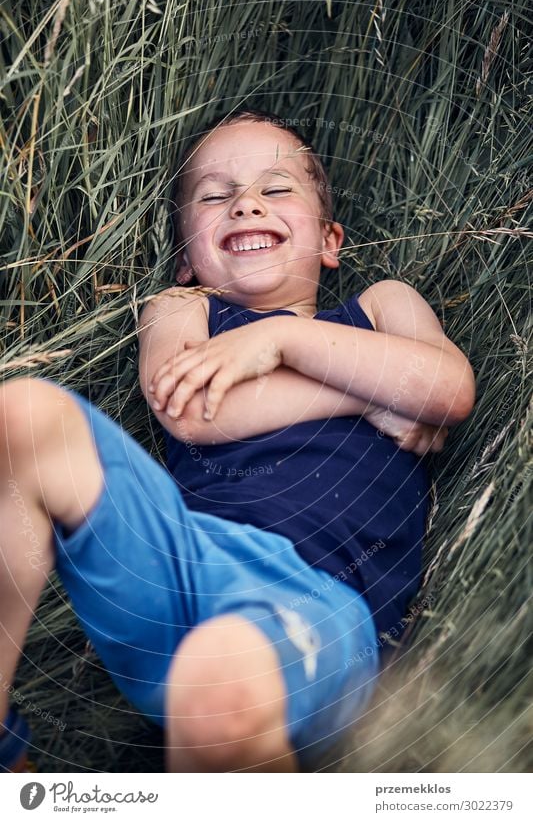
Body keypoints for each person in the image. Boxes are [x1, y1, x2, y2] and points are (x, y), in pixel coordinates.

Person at [0, 109, 475, 773]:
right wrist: (374, 391)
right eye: (215, 195)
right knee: (21, 412)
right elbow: (191, 409)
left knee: (219, 677)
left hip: (318, 603)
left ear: (329, 240)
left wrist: (279, 337)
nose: (246, 202)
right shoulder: (181, 309)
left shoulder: (379, 308)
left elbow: (446, 388)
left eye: (275, 189)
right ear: (187, 257)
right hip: (178, 564)